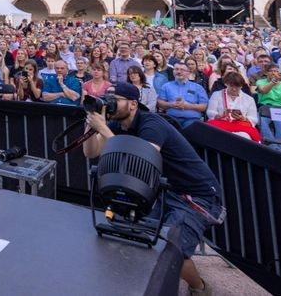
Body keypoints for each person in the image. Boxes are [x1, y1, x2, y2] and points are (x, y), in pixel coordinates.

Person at [84, 82, 221, 296]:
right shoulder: (118, 126)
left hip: (196, 196)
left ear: (132, 104)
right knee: (131, 233)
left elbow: (143, 161)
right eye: (106, 99)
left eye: (114, 100)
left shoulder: (152, 123)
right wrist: (91, 126)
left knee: (172, 250)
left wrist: (102, 128)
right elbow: (90, 152)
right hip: (165, 191)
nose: (108, 105)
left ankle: (200, 289)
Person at [204, 72, 260, 142]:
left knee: (244, 136)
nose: (234, 89)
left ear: (242, 86)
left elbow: (253, 118)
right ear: (226, 84)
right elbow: (210, 112)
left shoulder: (249, 99)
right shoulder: (217, 94)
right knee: (217, 134)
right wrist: (220, 115)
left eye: (237, 86)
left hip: (241, 126)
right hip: (220, 123)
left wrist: (243, 118)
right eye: (231, 86)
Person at [252, 63, 281, 151]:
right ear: (266, 73)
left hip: (279, 109)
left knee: (280, 122)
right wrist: (273, 81)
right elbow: (264, 91)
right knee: (262, 121)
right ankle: (274, 148)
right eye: (271, 71)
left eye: (276, 71)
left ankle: (280, 151)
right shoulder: (260, 82)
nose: (274, 73)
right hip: (264, 108)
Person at [157, 64, 209, 129]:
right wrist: (171, 104)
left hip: (192, 120)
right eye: (176, 69)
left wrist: (188, 106)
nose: (179, 72)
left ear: (188, 73)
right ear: (173, 71)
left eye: (182, 70)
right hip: (171, 119)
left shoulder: (198, 87)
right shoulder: (166, 86)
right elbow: (159, 102)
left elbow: (204, 106)